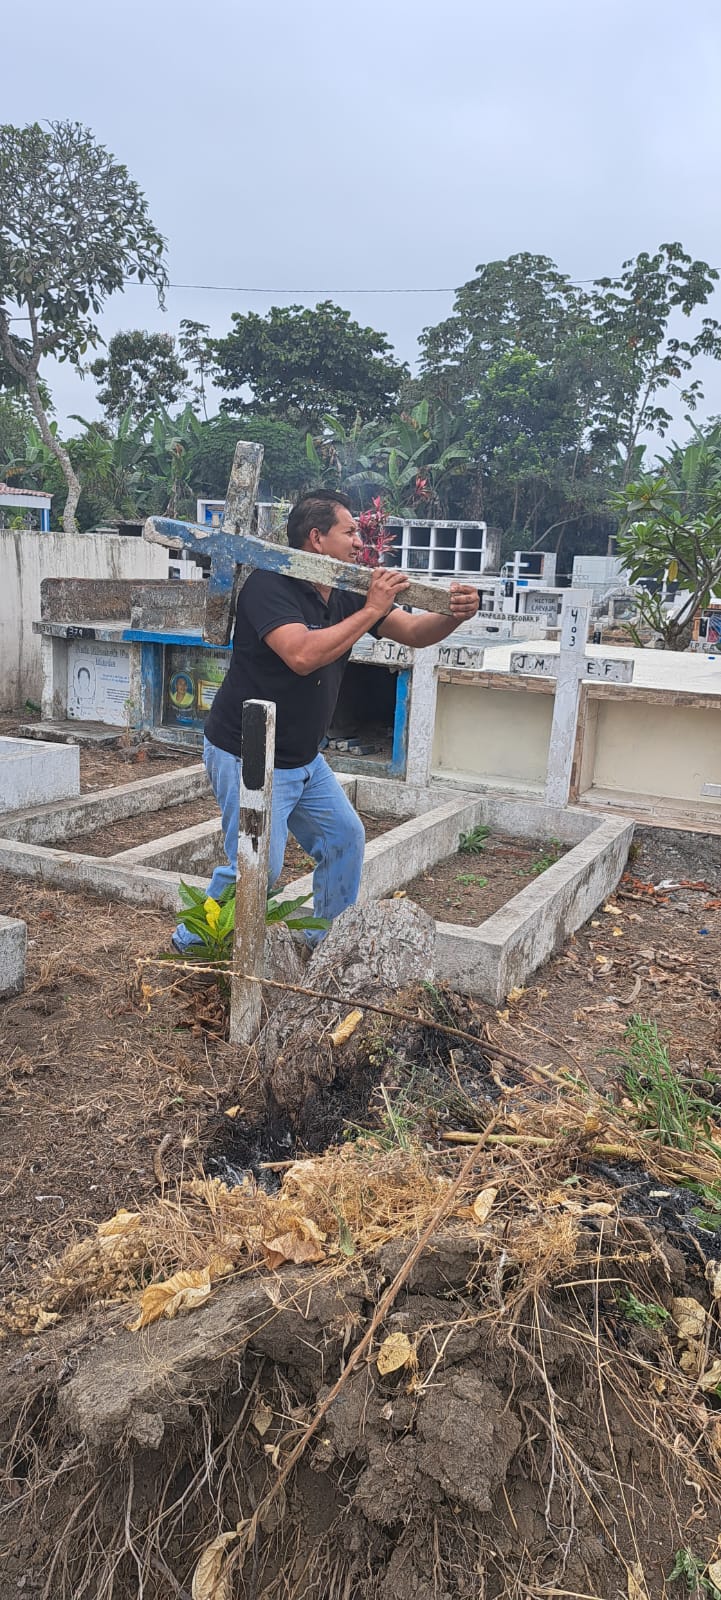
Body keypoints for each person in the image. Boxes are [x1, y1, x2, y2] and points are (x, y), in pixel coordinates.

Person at [172, 490, 479, 952]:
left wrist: (455, 615)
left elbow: (415, 632)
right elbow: (301, 655)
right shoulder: (269, 585)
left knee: (344, 840)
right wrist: (372, 609)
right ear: (316, 539)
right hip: (247, 752)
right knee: (257, 865)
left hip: (302, 757)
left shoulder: (348, 591)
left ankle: (325, 947)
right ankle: (190, 943)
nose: (359, 542)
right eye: (349, 532)